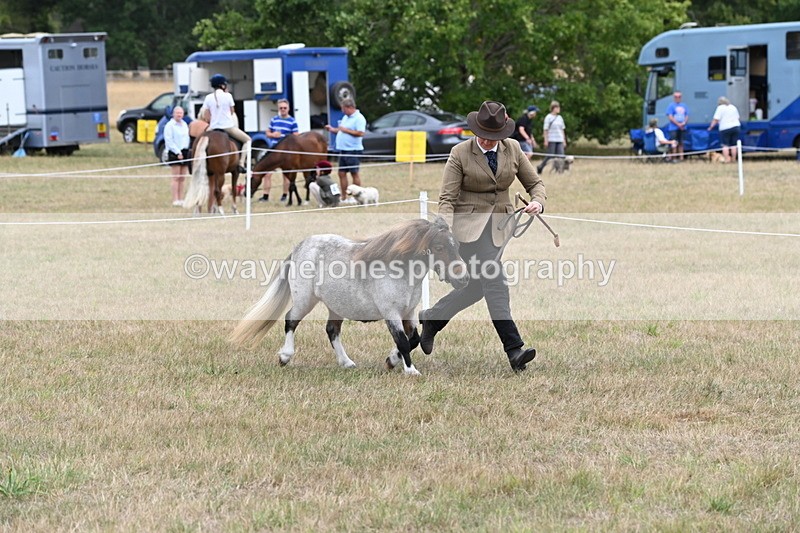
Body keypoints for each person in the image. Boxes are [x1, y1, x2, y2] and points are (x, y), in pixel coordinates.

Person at [418, 101, 547, 372]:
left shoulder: (513, 148)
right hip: (465, 230)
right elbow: (447, 198)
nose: (489, 141)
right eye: (484, 136)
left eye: (495, 137)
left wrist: (538, 202)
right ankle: (512, 349)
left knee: (484, 285)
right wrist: (443, 230)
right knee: (484, 284)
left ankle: (436, 320)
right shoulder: (459, 153)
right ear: (475, 129)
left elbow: (535, 183)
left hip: (498, 228)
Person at [199, 73, 251, 173]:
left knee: (199, 141)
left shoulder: (208, 97)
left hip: (213, 127)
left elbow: (205, 115)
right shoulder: (228, 96)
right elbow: (232, 111)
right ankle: (241, 163)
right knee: (248, 140)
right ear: (222, 85)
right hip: (228, 127)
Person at [258, 99, 300, 203]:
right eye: (281, 108)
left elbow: (296, 136)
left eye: (285, 108)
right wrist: (273, 135)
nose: (283, 110)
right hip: (273, 150)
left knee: (286, 175)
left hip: (286, 152)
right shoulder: (274, 120)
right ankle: (265, 196)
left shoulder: (292, 121)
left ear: (288, 109)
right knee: (267, 174)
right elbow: (268, 132)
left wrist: (285, 137)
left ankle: (284, 195)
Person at [324, 98, 366, 202]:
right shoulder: (345, 117)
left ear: (350, 107)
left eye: (343, 109)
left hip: (353, 150)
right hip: (343, 150)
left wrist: (346, 130)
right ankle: (344, 197)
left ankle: (356, 196)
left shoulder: (359, 118)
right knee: (341, 173)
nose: (342, 111)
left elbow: (361, 133)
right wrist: (332, 129)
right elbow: (341, 130)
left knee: (354, 173)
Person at [164, 106, 191, 206]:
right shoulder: (170, 125)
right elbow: (169, 140)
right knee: (176, 177)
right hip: (174, 152)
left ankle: (181, 198)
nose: (179, 115)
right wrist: (177, 152)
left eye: (181, 113)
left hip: (184, 151)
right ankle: (175, 199)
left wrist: (185, 152)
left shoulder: (184, 124)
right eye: (177, 113)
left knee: (182, 178)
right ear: (173, 114)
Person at [536, 100, 567, 174]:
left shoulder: (560, 117)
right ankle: (540, 166)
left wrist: (564, 140)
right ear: (554, 108)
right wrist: (546, 140)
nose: (559, 109)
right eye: (558, 107)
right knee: (550, 155)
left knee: (561, 156)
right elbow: (545, 129)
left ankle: (560, 170)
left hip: (559, 139)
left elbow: (562, 129)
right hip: (552, 139)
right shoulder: (548, 117)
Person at [708, 96, 741, 163]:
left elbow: (716, 119)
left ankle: (727, 159)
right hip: (736, 127)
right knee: (734, 145)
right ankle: (734, 159)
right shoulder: (733, 107)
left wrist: (710, 127)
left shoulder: (720, 108)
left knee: (725, 145)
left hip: (725, 128)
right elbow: (738, 117)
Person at [666, 91, 689, 161]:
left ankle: (681, 158)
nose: (677, 98)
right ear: (674, 97)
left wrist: (684, 123)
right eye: (676, 97)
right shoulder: (671, 106)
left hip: (682, 127)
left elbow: (687, 115)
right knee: (674, 143)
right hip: (673, 128)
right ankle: (674, 158)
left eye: (679, 97)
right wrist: (677, 124)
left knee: (681, 143)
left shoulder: (684, 106)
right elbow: (670, 116)